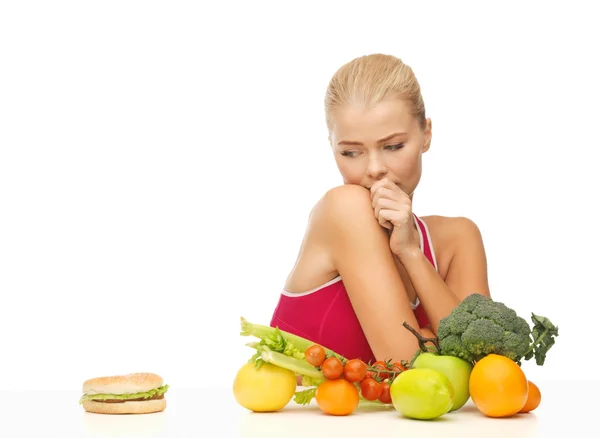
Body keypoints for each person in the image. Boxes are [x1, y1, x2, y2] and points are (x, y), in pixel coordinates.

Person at [269, 53, 491, 367]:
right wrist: (434, 338)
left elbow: (485, 363)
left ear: (426, 134)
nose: (374, 169)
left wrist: (411, 252)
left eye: (393, 146)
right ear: (331, 146)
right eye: (351, 152)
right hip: (295, 417)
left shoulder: (458, 238)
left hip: (412, 418)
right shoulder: (343, 208)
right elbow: (408, 364)